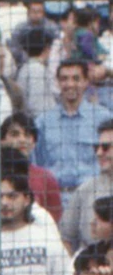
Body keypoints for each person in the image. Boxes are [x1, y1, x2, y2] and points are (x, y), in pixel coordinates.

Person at [34, 61, 113, 202]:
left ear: (86, 82)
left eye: (76, 79)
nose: (70, 84)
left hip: (94, 198)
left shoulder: (103, 118)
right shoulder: (43, 122)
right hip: (56, 199)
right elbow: (37, 165)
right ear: (58, 82)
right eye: (64, 79)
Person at [0, 113, 63, 222]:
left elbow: (53, 219)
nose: (22, 140)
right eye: (15, 134)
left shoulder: (46, 178)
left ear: (34, 143)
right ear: (1, 140)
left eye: (27, 135)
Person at [60, 119, 113, 253]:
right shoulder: (85, 190)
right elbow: (65, 238)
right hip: (93, 262)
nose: (99, 153)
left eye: (106, 147)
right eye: (96, 148)